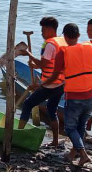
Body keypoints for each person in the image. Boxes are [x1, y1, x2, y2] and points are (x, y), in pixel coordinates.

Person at [42, 23, 92, 167]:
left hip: (74, 95)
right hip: (90, 95)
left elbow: (55, 75)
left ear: (64, 36)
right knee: (81, 125)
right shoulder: (90, 47)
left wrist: (41, 84)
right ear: (78, 35)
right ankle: (74, 152)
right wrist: (88, 73)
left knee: (70, 128)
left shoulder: (63, 52)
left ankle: (83, 154)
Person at [18, 16, 67, 147]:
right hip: (61, 83)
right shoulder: (61, 41)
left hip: (50, 85)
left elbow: (43, 63)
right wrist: (36, 66)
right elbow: (47, 64)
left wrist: (28, 53)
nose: (42, 33)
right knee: (52, 109)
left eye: (43, 30)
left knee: (28, 104)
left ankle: (18, 134)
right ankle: (55, 141)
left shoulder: (50, 44)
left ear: (50, 29)